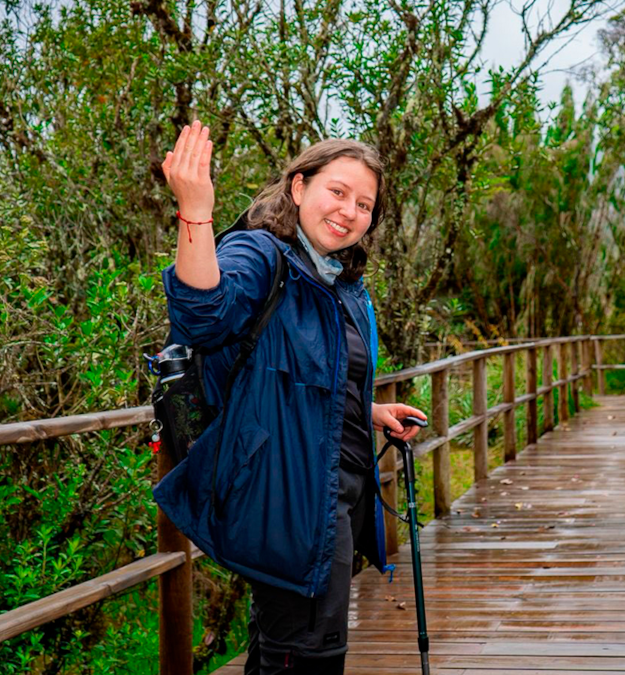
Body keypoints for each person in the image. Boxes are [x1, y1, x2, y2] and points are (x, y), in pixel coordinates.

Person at [152, 120, 426, 674]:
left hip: (328, 495)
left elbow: (301, 375)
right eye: (338, 192)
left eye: (365, 205)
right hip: (286, 497)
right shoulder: (260, 254)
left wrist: (368, 410)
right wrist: (195, 210)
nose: (351, 212)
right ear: (299, 187)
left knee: (287, 647)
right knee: (307, 654)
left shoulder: (337, 281)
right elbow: (205, 315)